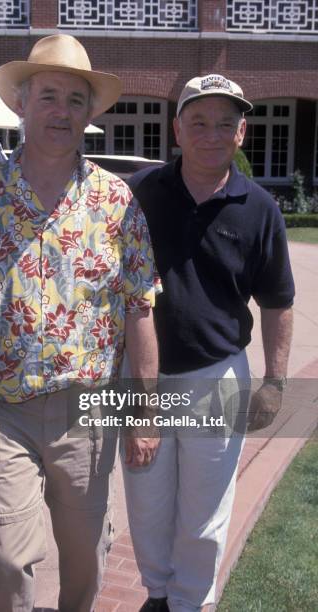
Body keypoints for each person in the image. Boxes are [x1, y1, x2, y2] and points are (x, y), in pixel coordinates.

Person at [0, 34, 160, 612]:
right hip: (1, 412)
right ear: (21, 105)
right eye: (49, 96)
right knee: (5, 559)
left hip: (89, 414)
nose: (62, 111)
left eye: (75, 100)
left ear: (88, 113)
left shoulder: (117, 202)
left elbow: (140, 311)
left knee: (85, 559)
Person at [122, 74, 295, 612]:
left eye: (226, 123)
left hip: (215, 376)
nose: (212, 133)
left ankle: (191, 602)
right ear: (177, 129)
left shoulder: (260, 208)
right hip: (139, 375)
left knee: (205, 509)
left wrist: (274, 381)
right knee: (146, 500)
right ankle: (155, 593)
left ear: (242, 133)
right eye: (199, 121)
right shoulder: (140, 194)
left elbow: (278, 301)